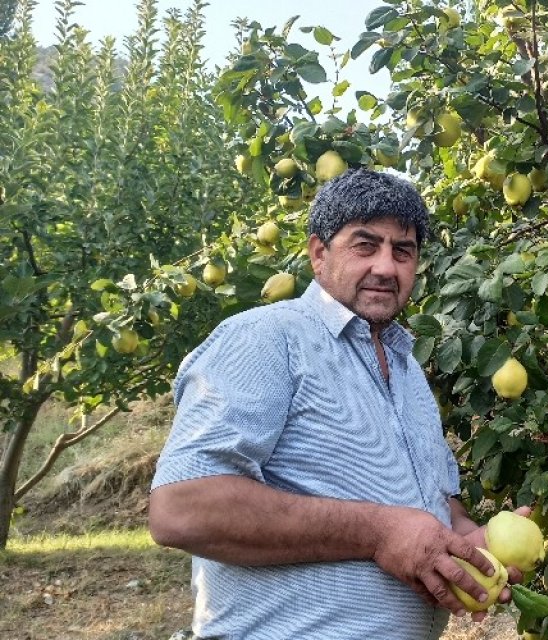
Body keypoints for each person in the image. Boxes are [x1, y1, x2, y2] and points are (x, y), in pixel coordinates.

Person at [149, 168, 518, 639]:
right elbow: (182, 508)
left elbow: (439, 510)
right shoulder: (266, 338)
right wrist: (380, 533)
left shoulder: (408, 369)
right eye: (365, 245)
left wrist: (471, 546)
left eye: (402, 251)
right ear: (319, 253)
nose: (386, 267)